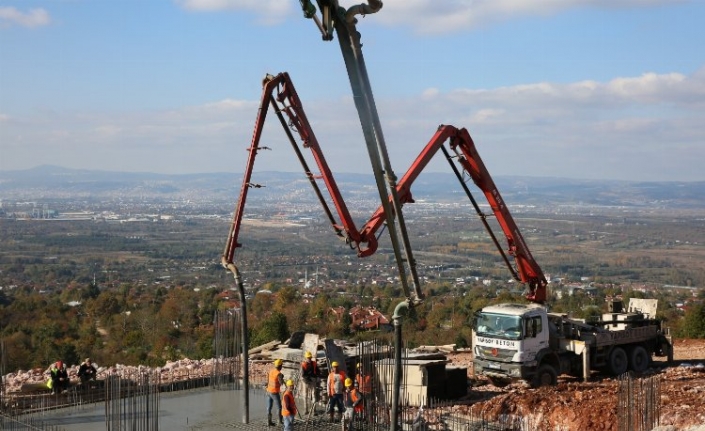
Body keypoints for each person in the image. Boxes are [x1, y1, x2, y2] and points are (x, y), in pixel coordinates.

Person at [266, 358, 285, 426]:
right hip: (274, 392)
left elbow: (268, 380)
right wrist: (282, 377)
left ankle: (269, 422)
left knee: (269, 407)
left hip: (268, 391)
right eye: (281, 365)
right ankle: (280, 421)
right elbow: (281, 383)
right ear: (280, 366)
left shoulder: (271, 371)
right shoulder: (278, 374)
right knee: (279, 407)